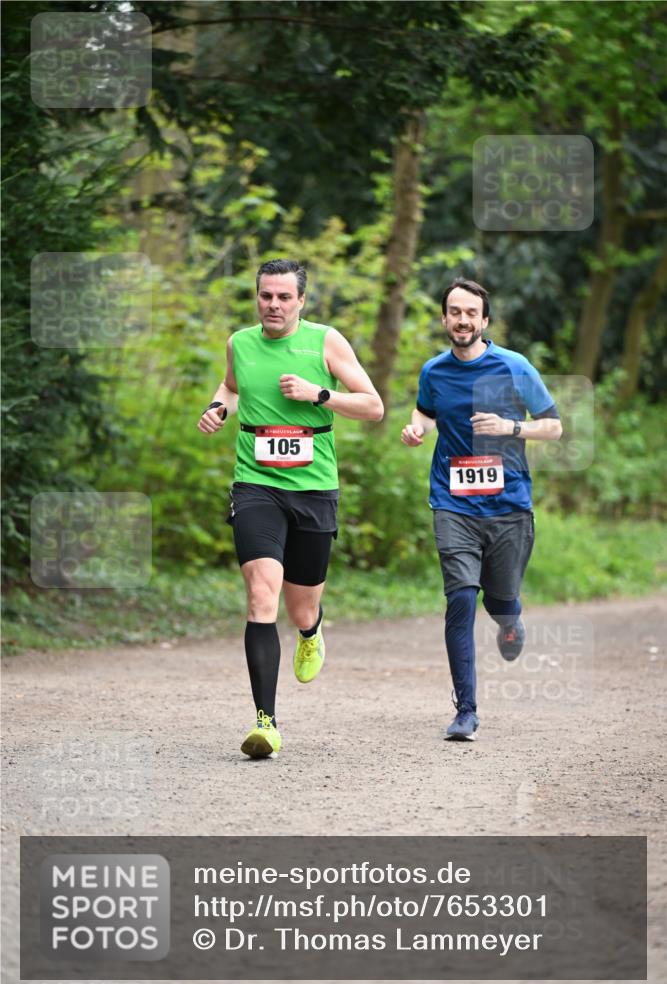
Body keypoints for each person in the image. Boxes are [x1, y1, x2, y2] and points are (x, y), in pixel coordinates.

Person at [198, 258, 383, 758]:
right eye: (266, 296)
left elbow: (373, 406)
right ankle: (266, 723)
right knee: (262, 594)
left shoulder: (325, 342)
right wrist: (218, 407)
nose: (273, 305)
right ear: (256, 297)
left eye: (284, 297)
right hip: (255, 484)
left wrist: (319, 394)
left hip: (314, 489)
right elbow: (231, 387)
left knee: (301, 606)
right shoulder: (240, 343)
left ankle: (311, 631)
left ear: (301, 300)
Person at [401, 277, 562, 742]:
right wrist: (416, 429)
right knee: (461, 598)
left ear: (484, 320)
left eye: (471, 312)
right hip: (452, 502)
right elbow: (425, 411)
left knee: (500, 599)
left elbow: (552, 427)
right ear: (445, 318)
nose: (463, 320)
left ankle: (510, 620)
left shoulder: (514, 366)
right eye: (455, 311)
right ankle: (466, 710)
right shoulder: (434, 371)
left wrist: (511, 428)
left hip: (509, 505)